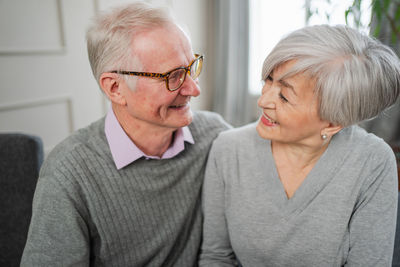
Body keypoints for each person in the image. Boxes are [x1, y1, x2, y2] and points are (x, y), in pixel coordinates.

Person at [21, 2, 230, 266]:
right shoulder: (69, 171)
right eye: (174, 76)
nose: (194, 89)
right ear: (115, 88)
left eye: (192, 68)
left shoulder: (213, 134)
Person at [199, 24, 400, 267]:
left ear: (333, 123)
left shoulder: (373, 162)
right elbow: (216, 257)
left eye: (284, 97)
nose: (263, 101)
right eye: (268, 80)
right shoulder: (228, 149)